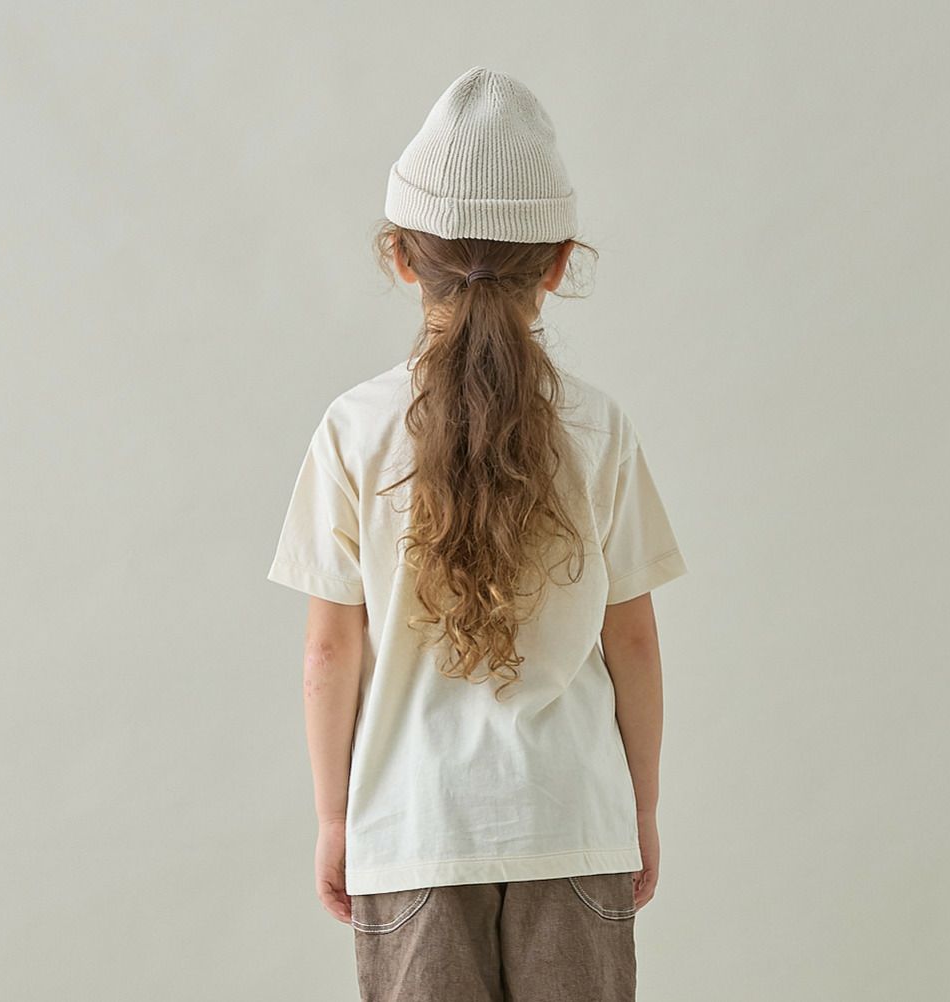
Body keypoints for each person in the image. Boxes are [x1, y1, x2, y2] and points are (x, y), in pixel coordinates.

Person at [267, 65, 688, 1002]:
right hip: (573, 825)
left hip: (411, 829)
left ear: (402, 257)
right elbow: (633, 640)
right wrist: (642, 806)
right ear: (558, 264)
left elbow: (330, 650)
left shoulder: (353, 428)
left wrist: (334, 819)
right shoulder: (599, 426)